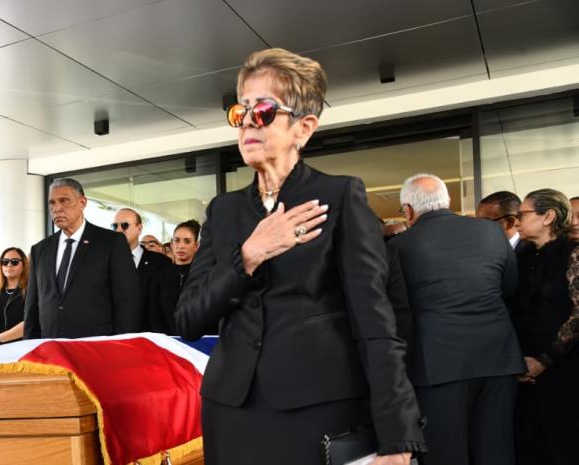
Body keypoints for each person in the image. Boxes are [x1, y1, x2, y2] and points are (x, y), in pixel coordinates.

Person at [174, 48, 424, 465]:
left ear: (303, 128)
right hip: (231, 411)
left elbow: (376, 323)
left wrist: (398, 437)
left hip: (318, 409)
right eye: (241, 111)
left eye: (264, 110)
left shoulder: (338, 196)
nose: (248, 122)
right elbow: (188, 319)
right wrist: (247, 256)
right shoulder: (223, 210)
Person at [389, 173, 524, 465]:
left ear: (408, 211)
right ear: (447, 201)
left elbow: (398, 309)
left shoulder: (399, 247)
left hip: (437, 364)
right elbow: (510, 288)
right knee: (497, 449)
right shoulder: (492, 232)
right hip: (498, 358)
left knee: (446, 452)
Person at [510, 189, 578, 465]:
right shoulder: (521, 255)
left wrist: (544, 360)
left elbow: (578, 314)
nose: (516, 221)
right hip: (524, 372)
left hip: (564, 369)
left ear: (548, 216)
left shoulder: (573, 253)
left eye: (523, 214)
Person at [24, 178, 140, 339]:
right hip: (50, 346)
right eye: (52, 203)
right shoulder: (40, 250)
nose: (57, 208)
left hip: (95, 346)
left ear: (82, 202)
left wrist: (121, 346)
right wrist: (32, 347)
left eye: (64, 201)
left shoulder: (111, 242)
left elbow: (126, 302)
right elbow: (32, 308)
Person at [112, 208, 171, 330]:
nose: (119, 230)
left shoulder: (160, 262)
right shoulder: (105, 261)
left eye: (124, 225)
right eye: (115, 226)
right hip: (115, 334)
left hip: (150, 335)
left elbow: (165, 305)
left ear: (139, 228)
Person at [149, 220, 200, 335]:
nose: (181, 246)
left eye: (187, 241)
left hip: (198, 340)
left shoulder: (204, 276)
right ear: (171, 244)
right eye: (177, 240)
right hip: (166, 341)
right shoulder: (159, 276)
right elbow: (154, 313)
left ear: (196, 246)